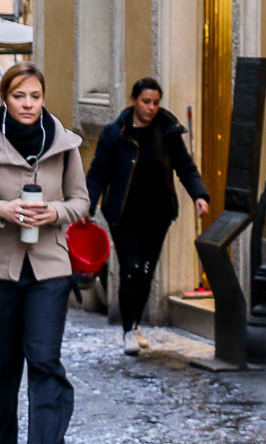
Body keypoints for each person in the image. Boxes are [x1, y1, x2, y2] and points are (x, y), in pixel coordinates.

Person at [0, 60, 89, 444]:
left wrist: (56, 211)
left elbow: (81, 201)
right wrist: (1, 210)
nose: (28, 104)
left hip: (50, 271)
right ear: (5, 99)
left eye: (35, 96)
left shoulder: (64, 143)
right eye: (19, 96)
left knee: (45, 360)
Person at [85, 77, 210, 356]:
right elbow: (97, 174)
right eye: (145, 102)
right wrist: (88, 205)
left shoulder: (167, 131)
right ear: (133, 101)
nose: (151, 108)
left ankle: (135, 322)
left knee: (145, 270)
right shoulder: (114, 134)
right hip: (124, 213)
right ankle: (129, 329)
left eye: (155, 102)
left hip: (157, 214)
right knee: (131, 267)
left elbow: (185, 167)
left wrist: (199, 195)